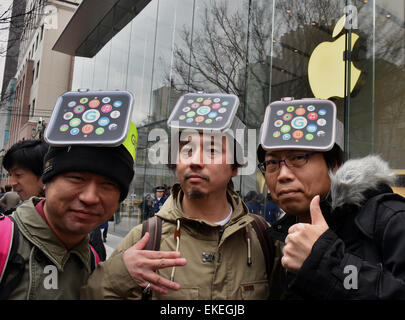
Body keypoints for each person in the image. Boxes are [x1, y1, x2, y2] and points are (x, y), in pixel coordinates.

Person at [81, 93, 271, 300]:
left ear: (235, 167)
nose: (195, 161)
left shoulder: (262, 238)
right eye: (187, 150)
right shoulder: (145, 238)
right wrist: (119, 274)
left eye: (212, 149)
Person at [257, 97, 405, 299]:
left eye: (298, 158)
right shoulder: (275, 237)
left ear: (334, 164)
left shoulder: (389, 219)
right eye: (272, 162)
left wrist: (326, 262)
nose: (282, 175)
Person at [0, 141, 136, 299]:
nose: (90, 197)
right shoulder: (5, 240)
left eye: (107, 184)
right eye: (77, 178)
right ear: (46, 182)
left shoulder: (92, 258)